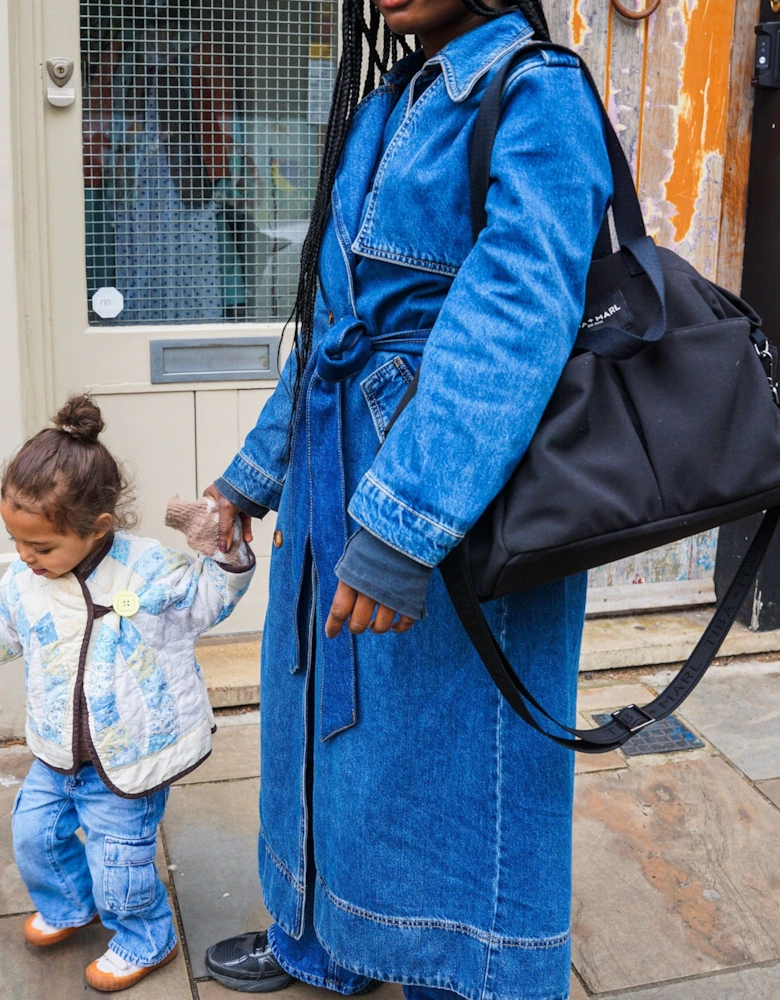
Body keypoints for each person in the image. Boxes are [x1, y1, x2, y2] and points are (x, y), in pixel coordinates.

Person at [204, 1, 611, 999]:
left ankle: (452, 974)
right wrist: (251, 478)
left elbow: (515, 316)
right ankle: (327, 938)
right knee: (332, 735)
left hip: (451, 497)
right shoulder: (392, 96)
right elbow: (333, 325)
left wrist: (401, 528)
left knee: (450, 769)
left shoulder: (536, 93)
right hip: (334, 482)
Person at [0, 396, 255, 991]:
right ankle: (69, 906)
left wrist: (221, 551)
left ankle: (147, 938)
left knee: (121, 862)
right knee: (33, 834)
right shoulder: (22, 580)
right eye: (17, 542)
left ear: (98, 530)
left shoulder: (147, 572)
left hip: (132, 756)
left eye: (41, 548)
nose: (26, 559)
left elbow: (208, 600)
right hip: (56, 751)